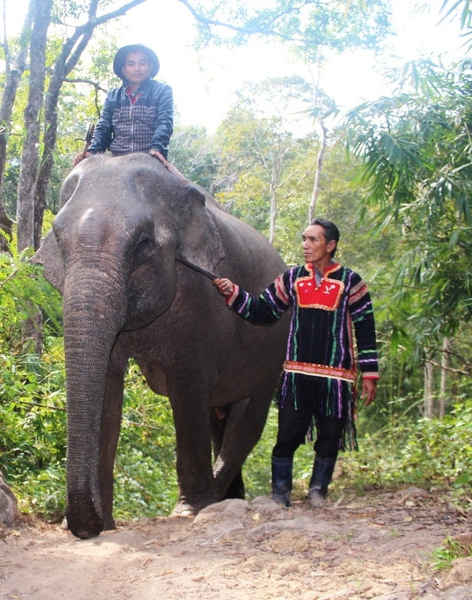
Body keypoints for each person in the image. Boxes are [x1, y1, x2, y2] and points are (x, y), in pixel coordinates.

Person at [213, 219, 379, 509]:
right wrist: (233, 292)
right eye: (304, 239)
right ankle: (280, 495)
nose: (305, 245)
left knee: (329, 438)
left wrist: (370, 373)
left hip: (336, 377)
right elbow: (263, 310)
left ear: (331, 245)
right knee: (286, 437)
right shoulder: (291, 279)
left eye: (313, 240)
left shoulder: (351, 282)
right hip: (297, 375)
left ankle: (318, 491)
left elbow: (365, 328)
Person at [73, 44, 174, 169]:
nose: (137, 68)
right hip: (117, 158)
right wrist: (93, 150)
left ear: (150, 67)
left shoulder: (162, 91)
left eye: (142, 63)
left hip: (150, 155)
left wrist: (157, 148)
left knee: (184, 185)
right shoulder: (113, 96)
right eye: (131, 64)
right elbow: (104, 127)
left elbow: (164, 122)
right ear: (124, 69)